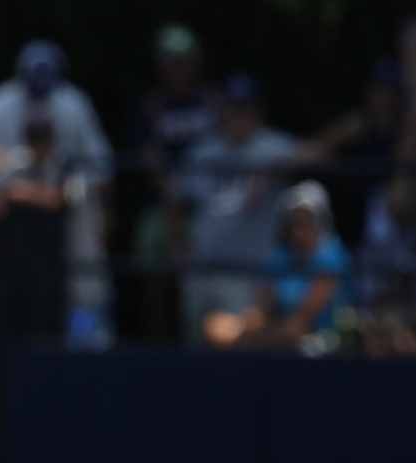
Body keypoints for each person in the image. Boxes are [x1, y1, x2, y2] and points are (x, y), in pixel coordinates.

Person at [0, 40, 115, 348]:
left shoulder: (74, 104)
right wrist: (19, 192)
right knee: (20, 302)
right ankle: (17, 367)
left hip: (71, 216)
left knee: (84, 289)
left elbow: (98, 170)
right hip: (15, 227)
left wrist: (103, 213)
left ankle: (86, 353)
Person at [176, 74, 299, 345]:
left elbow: (319, 154)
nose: (238, 115)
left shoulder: (270, 146)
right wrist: (179, 245)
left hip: (245, 273)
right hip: (201, 267)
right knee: (194, 348)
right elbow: (176, 200)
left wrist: (271, 168)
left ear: (258, 112)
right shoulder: (203, 151)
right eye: (233, 107)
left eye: (245, 108)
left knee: (237, 349)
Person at [129, 24, 219, 340]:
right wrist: (173, 208)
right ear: (160, 65)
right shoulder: (151, 106)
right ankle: (159, 353)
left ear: (196, 61)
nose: (178, 67)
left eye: (184, 59)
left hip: (206, 208)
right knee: (155, 286)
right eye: (171, 60)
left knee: (204, 286)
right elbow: (151, 161)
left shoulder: (212, 102)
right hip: (162, 205)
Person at [201, 180, 351, 351]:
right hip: (274, 332)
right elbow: (261, 307)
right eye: (294, 224)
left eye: (306, 223)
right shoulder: (281, 255)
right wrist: (251, 323)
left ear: (320, 221)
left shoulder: (331, 257)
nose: (298, 232)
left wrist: (257, 337)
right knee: (214, 325)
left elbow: (301, 322)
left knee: (290, 331)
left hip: (318, 337)